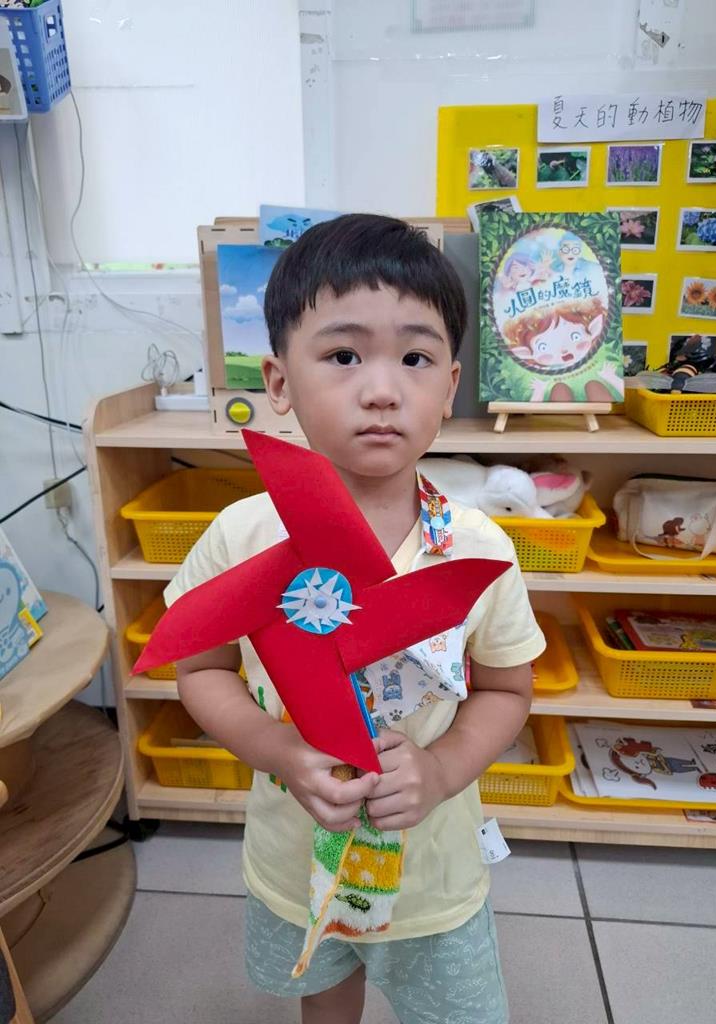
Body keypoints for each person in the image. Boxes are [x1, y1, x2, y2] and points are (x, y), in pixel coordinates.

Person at [166, 214, 545, 1024]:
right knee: (325, 998)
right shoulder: (240, 534)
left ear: (450, 385)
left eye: (415, 358)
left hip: (432, 876)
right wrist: (276, 749)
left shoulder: (480, 547)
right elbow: (198, 668)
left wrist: (440, 770)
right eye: (343, 356)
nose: (381, 389)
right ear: (278, 383)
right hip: (297, 856)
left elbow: (507, 689)